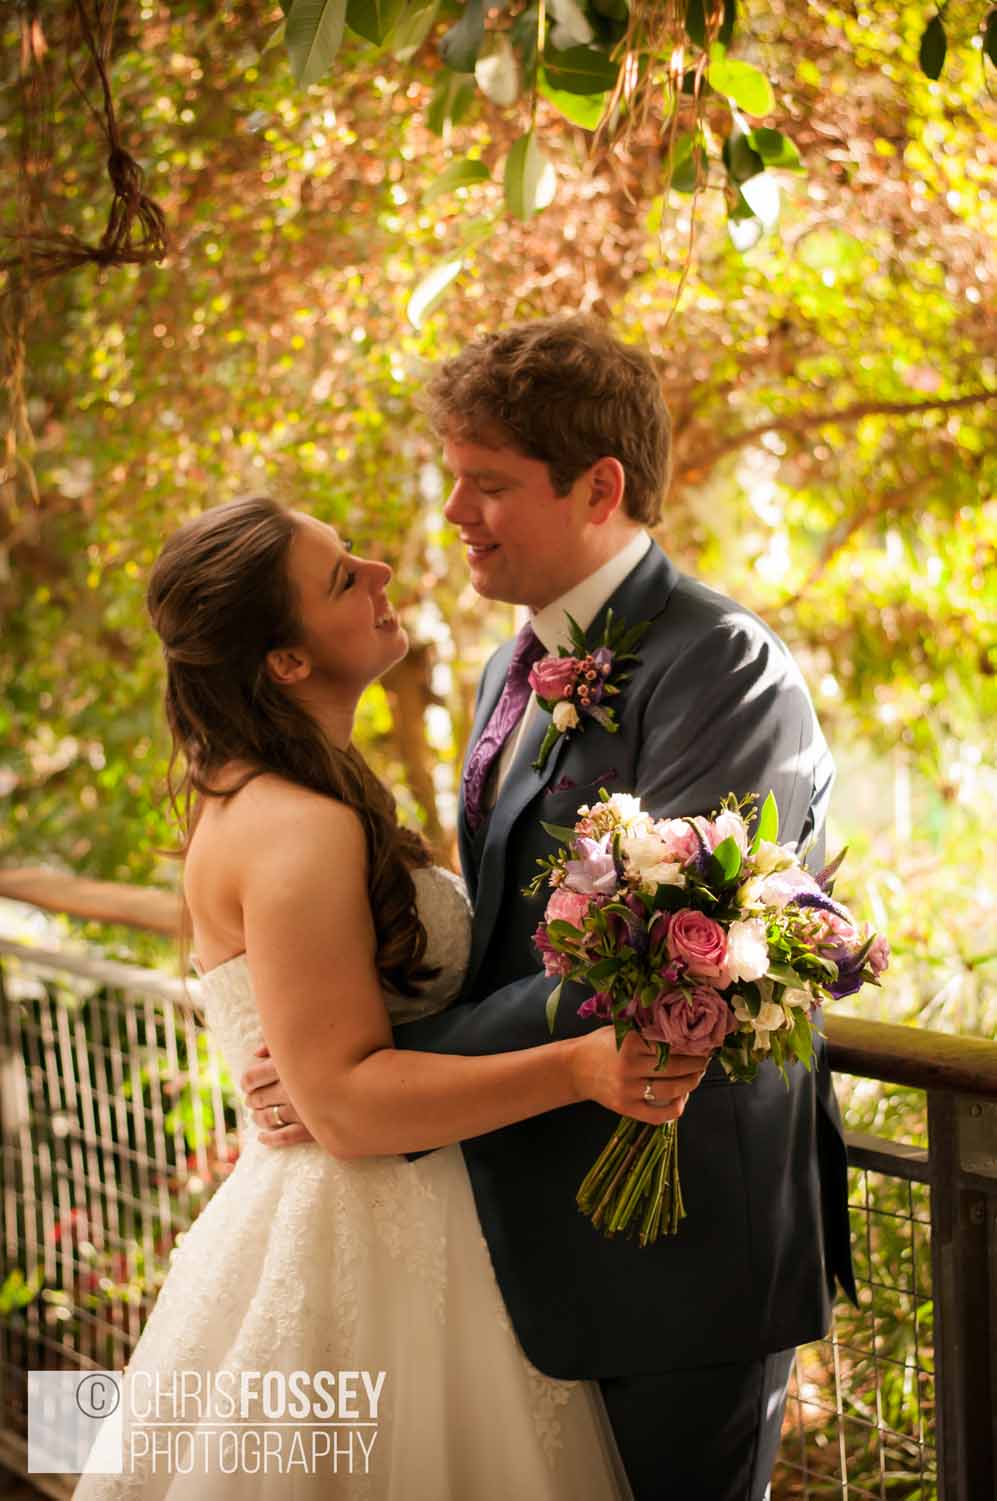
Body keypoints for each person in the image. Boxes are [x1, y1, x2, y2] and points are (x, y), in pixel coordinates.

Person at [245, 316, 856, 1501]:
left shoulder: (723, 667)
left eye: (488, 483)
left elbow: (661, 963)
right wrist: (348, 1053)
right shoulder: (507, 668)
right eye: (453, 478)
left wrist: (373, 1072)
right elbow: (508, 934)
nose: (454, 512)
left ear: (599, 489)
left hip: (686, 1242)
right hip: (531, 1219)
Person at [74, 493, 711, 1500]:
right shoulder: (295, 824)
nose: (377, 572)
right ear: (286, 660)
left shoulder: (277, 791)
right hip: (361, 1237)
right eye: (341, 577)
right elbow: (346, 1107)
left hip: (386, 1210)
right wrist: (581, 1067)